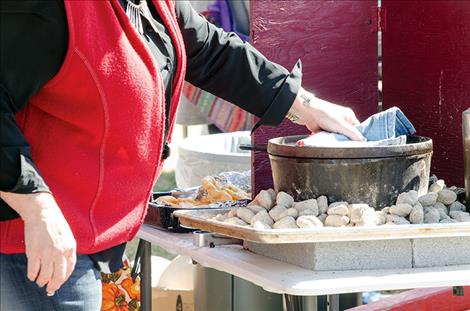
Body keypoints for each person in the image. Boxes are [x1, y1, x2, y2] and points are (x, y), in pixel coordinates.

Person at [0, 0, 363, 310]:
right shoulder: (45, 9)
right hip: (33, 241)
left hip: (86, 235)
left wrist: (304, 105)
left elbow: (211, 51)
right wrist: (38, 210)